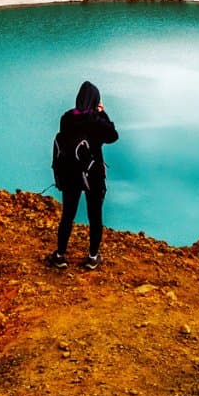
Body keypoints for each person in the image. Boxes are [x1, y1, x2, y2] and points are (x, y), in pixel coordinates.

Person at [46, 80, 118, 270]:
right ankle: (93, 257)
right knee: (95, 216)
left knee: (67, 215)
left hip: (70, 173)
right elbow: (113, 136)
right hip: (93, 174)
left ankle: (60, 255)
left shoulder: (67, 117)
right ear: (96, 100)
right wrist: (103, 113)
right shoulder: (96, 120)